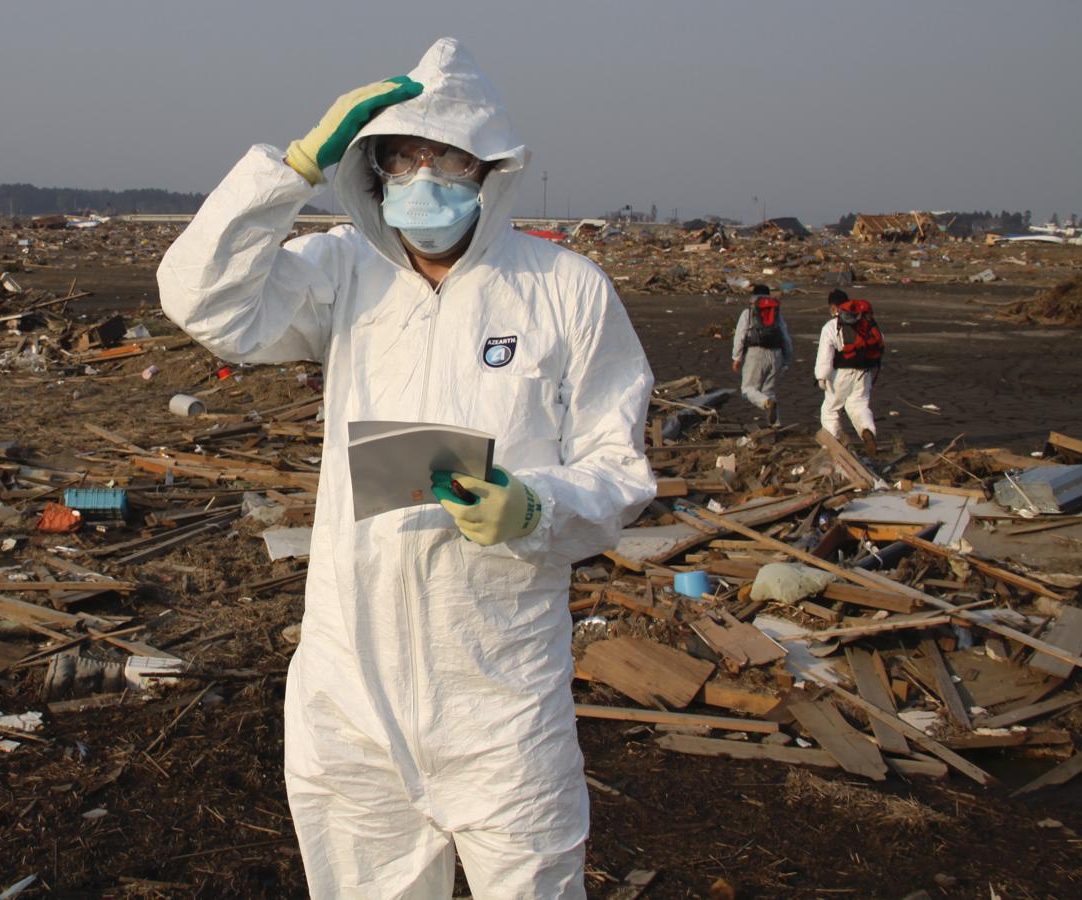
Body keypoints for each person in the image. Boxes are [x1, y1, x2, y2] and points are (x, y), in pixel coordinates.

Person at [158, 37, 656, 899]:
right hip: (351, 688)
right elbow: (202, 302)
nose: (425, 179)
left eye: (447, 158)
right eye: (404, 158)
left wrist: (535, 508)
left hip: (498, 689)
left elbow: (620, 467)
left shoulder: (565, 289)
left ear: (487, 168)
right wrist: (293, 168)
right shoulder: (339, 273)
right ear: (375, 170)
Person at [815, 288, 883, 455]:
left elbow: (825, 355)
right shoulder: (865, 322)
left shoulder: (831, 326)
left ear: (833, 306)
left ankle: (834, 443)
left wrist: (821, 377)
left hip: (840, 374)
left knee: (830, 409)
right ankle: (867, 431)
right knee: (859, 405)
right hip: (863, 372)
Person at [730, 284, 792, 425]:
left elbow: (740, 335)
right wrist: (787, 360)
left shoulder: (748, 312)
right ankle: (775, 425)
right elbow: (786, 337)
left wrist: (737, 358)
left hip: (755, 353)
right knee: (769, 390)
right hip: (776, 354)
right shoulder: (777, 314)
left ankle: (766, 403)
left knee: (748, 389)